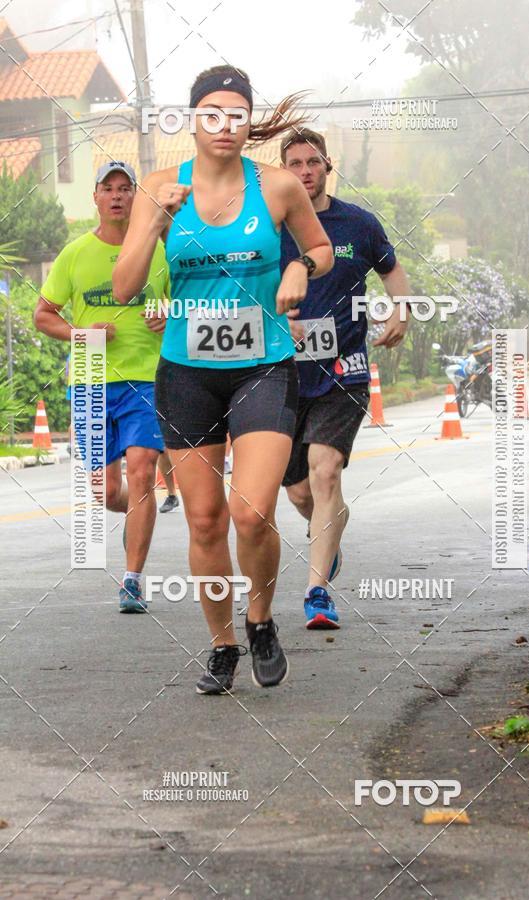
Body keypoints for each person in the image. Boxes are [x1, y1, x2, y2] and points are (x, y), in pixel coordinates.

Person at [113, 65, 333, 694]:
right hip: (186, 372)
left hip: (262, 366)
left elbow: (318, 250)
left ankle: (260, 619)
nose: (225, 125)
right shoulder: (160, 187)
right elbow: (125, 287)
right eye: (212, 113)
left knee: (251, 513)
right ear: (192, 119)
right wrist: (154, 222)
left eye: (237, 114)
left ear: (247, 123)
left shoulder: (279, 187)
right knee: (205, 520)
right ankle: (222, 644)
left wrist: (300, 270)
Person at [280, 127, 411, 629]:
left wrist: (401, 310)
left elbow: (391, 269)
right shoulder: (270, 226)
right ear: (285, 171)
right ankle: (328, 534)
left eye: (313, 162)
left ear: (327, 166)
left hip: (343, 370)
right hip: (281, 375)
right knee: (299, 492)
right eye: (295, 163)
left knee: (325, 469)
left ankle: (317, 593)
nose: (306, 171)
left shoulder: (357, 223)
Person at [34, 161, 170, 613]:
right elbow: (43, 314)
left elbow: (191, 300)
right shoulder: (74, 255)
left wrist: (170, 312)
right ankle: (142, 506)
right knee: (105, 492)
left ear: (136, 197)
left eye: (125, 188)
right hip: (91, 378)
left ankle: (132, 579)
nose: (116, 196)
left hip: (146, 377)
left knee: (142, 471)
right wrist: (79, 332)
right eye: (107, 189)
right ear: (94, 198)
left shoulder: (160, 251)